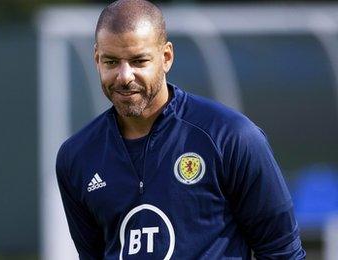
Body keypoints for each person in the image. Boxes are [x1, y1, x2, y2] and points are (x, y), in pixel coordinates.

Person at [55, 0, 306, 259]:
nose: (124, 76)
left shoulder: (231, 137)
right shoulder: (76, 157)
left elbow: (282, 251)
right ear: (97, 59)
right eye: (111, 62)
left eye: (139, 61)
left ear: (166, 57)